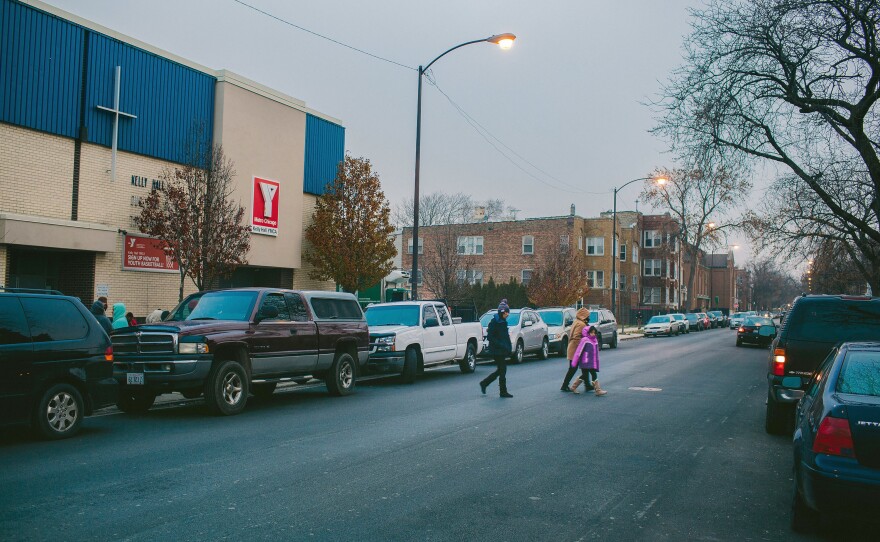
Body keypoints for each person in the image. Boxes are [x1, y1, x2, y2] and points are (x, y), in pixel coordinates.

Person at [479, 299, 514, 398]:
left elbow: (505, 337)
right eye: (506, 312)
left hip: (501, 350)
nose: (507, 314)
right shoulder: (495, 322)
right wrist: (501, 345)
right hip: (496, 350)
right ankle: (502, 391)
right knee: (502, 370)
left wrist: (508, 347)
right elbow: (490, 337)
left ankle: (485, 383)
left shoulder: (503, 321)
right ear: (502, 312)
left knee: (501, 370)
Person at [561, 308, 593, 392]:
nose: (589, 317)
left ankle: (587, 385)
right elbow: (576, 337)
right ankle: (564, 385)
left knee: (584, 368)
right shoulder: (581, 324)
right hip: (576, 350)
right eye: (588, 316)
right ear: (584, 316)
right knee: (573, 368)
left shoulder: (577, 322)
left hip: (575, 349)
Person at [570, 325, 608, 396]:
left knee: (584, 375)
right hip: (585, 361)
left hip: (591, 362)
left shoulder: (595, 340)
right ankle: (598, 390)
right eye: (591, 332)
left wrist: (596, 362)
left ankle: (573, 387)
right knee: (593, 374)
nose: (593, 334)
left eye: (594, 332)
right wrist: (574, 362)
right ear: (588, 332)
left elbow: (595, 352)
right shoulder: (584, 340)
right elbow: (579, 351)